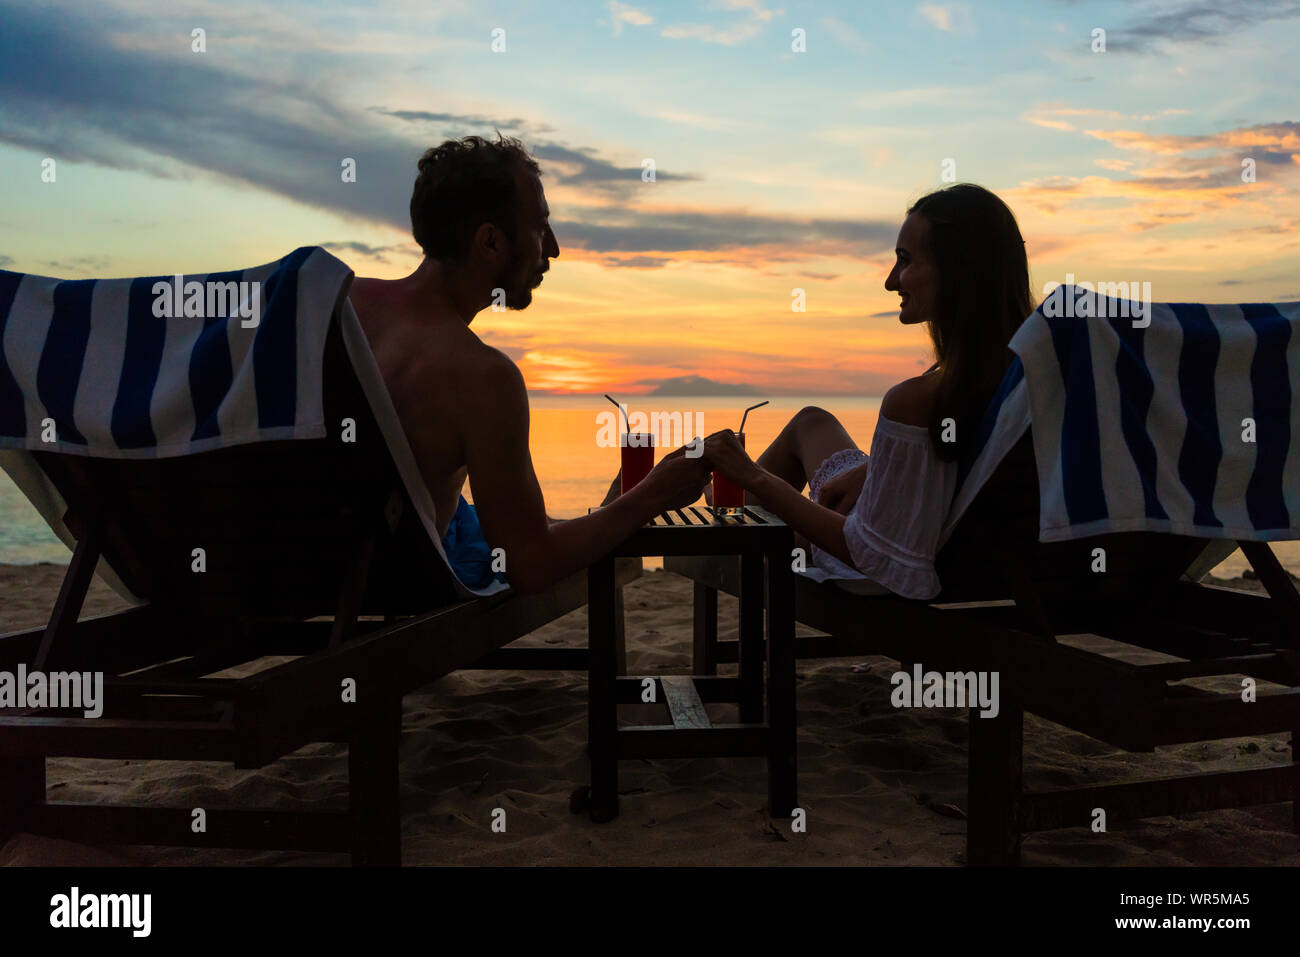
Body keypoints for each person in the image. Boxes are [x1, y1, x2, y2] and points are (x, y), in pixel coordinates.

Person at [348, 134, 710, 593]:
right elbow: (529, 565)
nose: (553, 249)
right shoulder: (483, 378)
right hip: (389, 582)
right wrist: (655, 495)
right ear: (491, 242)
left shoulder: (336, 307)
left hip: (295, 568)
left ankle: (604, 511)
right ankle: (616, 509)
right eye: (540, 228)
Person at [703, 184, 1033, 599]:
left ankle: (723, 504)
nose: (890, 281)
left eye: (905, 261)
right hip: (973, 552)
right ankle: (724, 501)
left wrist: (755, 476)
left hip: (878, 564)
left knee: (756, 502)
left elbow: (874, 556)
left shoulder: (916, 398)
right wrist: (873, 472)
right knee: (812, 421)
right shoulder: (1027, 371)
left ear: (956, 272)